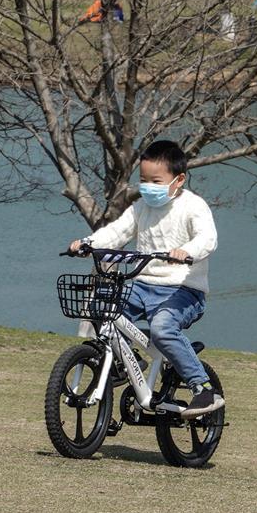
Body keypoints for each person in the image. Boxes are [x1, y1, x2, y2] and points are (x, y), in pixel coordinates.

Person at [68, 140, 221, 418]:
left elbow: (207, 239)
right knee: (101, 309)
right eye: (143, 180)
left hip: (183, 290)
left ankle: (203, 388)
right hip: (142, 286)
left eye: (156, 181)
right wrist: (88, 243)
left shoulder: (193, 206)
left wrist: (186, 251)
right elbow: (116, 232)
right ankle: (126, 362)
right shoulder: (141, 208)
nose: (148, 186)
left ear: (178, 180)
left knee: (162, 328)